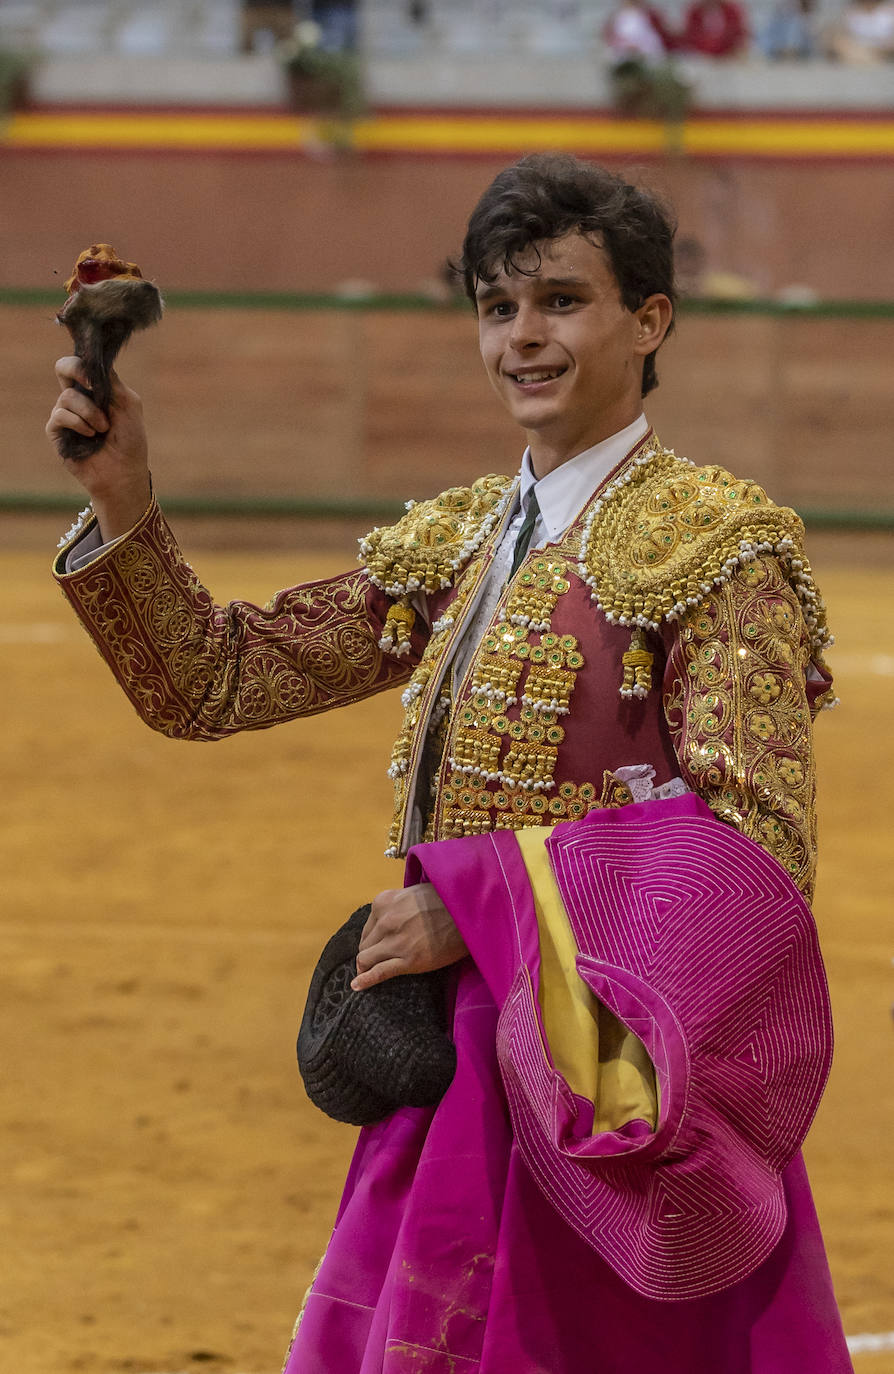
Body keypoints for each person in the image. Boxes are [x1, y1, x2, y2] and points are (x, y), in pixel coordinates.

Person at [46, 154, 853, 1372]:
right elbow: (218, 679)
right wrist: (126, 501)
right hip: (462, 1068)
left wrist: (481, 911)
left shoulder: (721, 549)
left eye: (560, 302)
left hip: (620, 1079)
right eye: (496, 307)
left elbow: (754, 855)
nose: (522, 338)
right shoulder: (461, 536)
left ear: (650, 320)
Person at [679, 0, 749, 55]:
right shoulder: (694, 13)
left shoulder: (732, 11)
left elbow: (741, 36)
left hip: (728, 59)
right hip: (701, 59)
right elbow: (689, 38)